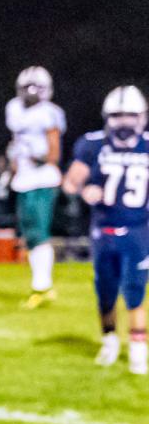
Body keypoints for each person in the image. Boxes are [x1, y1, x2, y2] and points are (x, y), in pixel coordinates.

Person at [62, 85, 149, 375]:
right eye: (118, 115)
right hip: (103, 228)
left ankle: (138, 349)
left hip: (139, 228)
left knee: (135, 289)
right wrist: (84, 189)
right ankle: (109, 340)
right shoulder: (93, 144)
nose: (124, 122)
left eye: (130, 115)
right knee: (106, 290)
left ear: (142, 116)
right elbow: (71, 181)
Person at [6, 66, 66, 308]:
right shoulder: (13, 108)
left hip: (42, 178)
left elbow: (54, 150)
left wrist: (40, 158)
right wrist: (13, 166)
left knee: (38, 233)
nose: (30, 93)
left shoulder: (50, 113)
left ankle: (42, 286)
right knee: (29, 234)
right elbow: (15, 141)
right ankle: (41, 285)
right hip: (23, 177)